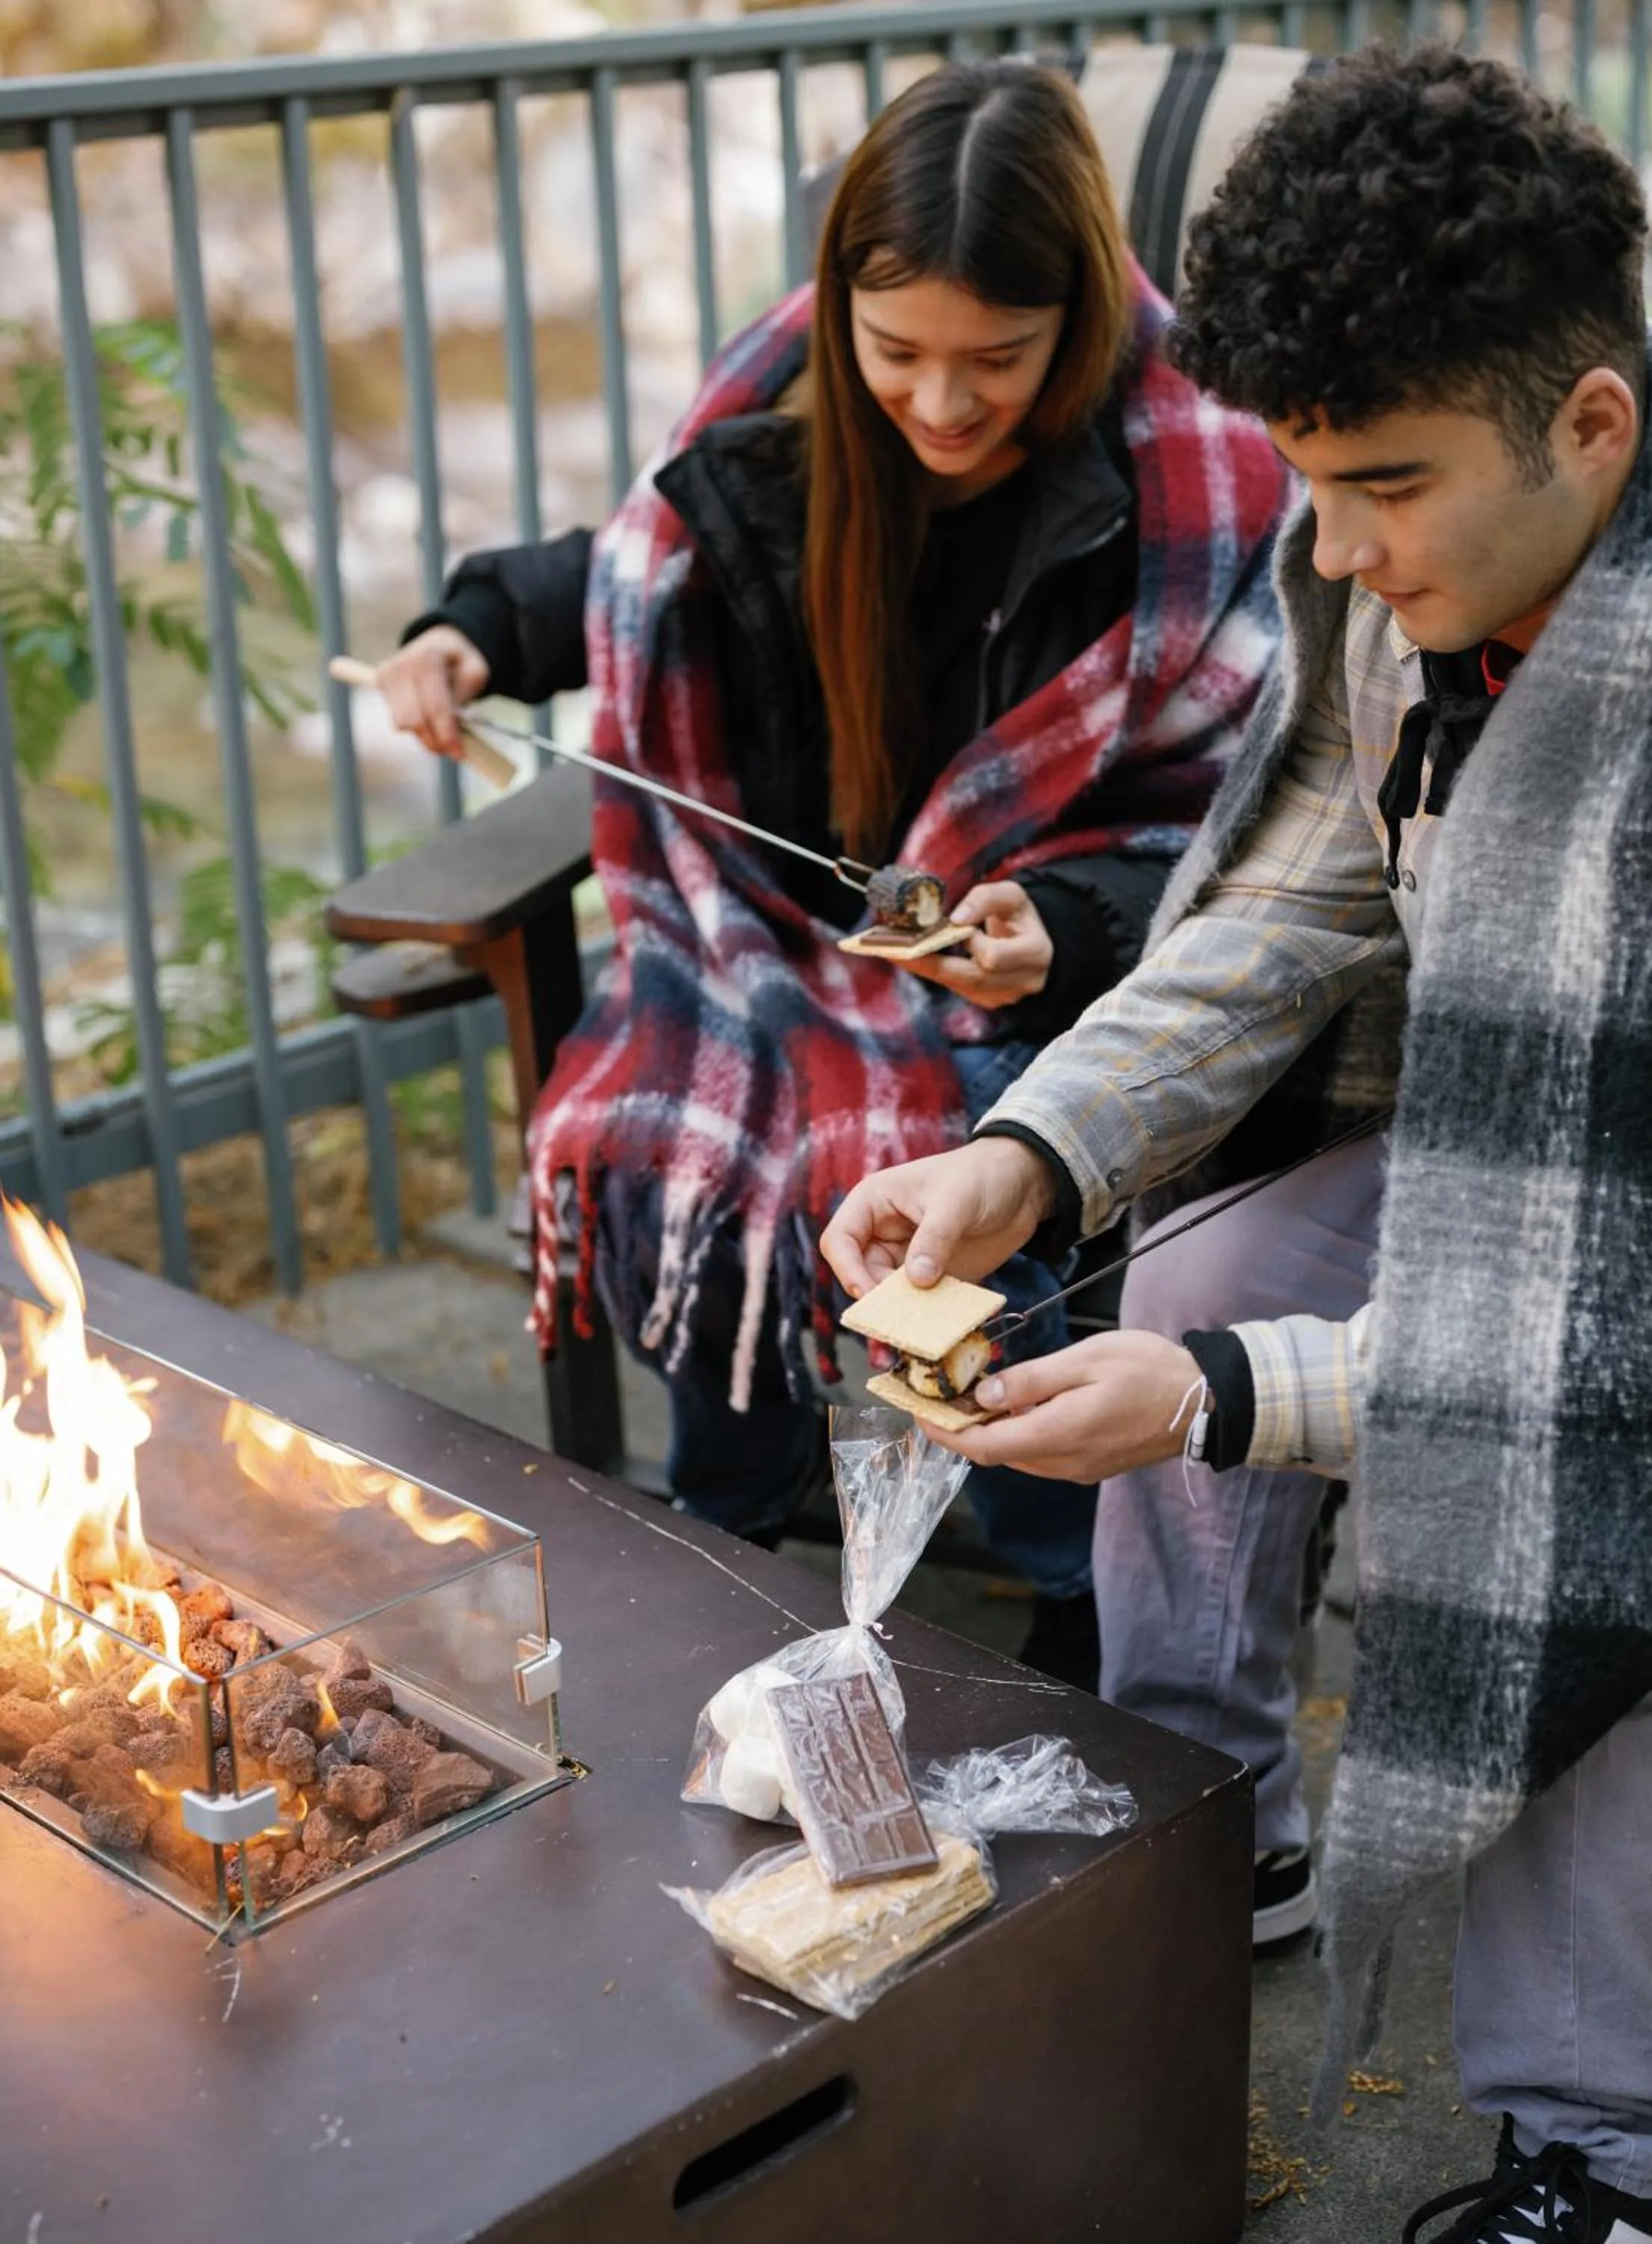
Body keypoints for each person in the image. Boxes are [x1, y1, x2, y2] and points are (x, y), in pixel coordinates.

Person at [822, 45, 1652, 2244]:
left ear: (1596, 423)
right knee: (1202, 1271)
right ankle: (1218, 1823)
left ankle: (1614, 2156)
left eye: (1383, 488)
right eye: (1311, 482)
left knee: (1595, 1584)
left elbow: (1626, 1354)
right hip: (1507, 1148)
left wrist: (1217, 1400)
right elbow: (1300, 901)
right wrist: (1033, 1156)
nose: (1337, 550)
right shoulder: (1416, 575)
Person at [374, 58, 1287, 1687]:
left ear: (1076, 318)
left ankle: (1060, 1577)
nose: (938, 404)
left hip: (1050, 971)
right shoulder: (785, 430)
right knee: (704, 1117)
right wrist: (471, 631)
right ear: (838, 311)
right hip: (781, 942)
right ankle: (726, 1535)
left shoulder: (1189, 493)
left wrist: (1066, 932)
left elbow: (1252, 835)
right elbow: (638, 566)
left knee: (975, 1155)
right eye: (896, 352)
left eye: (995, 360)